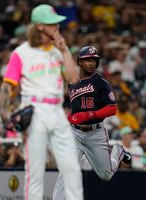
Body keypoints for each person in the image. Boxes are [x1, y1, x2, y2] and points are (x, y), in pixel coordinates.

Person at [0, 4, 83, 200]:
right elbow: (6, 87)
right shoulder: (21, 52)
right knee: (35, 172)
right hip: (34, 110)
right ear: (39, 26)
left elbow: (73, 80)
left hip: (56, 110)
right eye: (51, 24)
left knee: (72, 169)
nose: (57, 27)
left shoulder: (58, 51)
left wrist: (65, 51)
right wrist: (4, 115)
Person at [53, 46, 131, 200]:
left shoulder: (101, 82)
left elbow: (112, 109)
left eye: (94, 60)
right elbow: (76, 105)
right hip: (75, 133)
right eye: (87, 60)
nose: (91, 63)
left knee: (105, 175)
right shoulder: (72, 79)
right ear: (79, 62)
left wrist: (89, 115)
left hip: (95, 133)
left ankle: (118, 151)